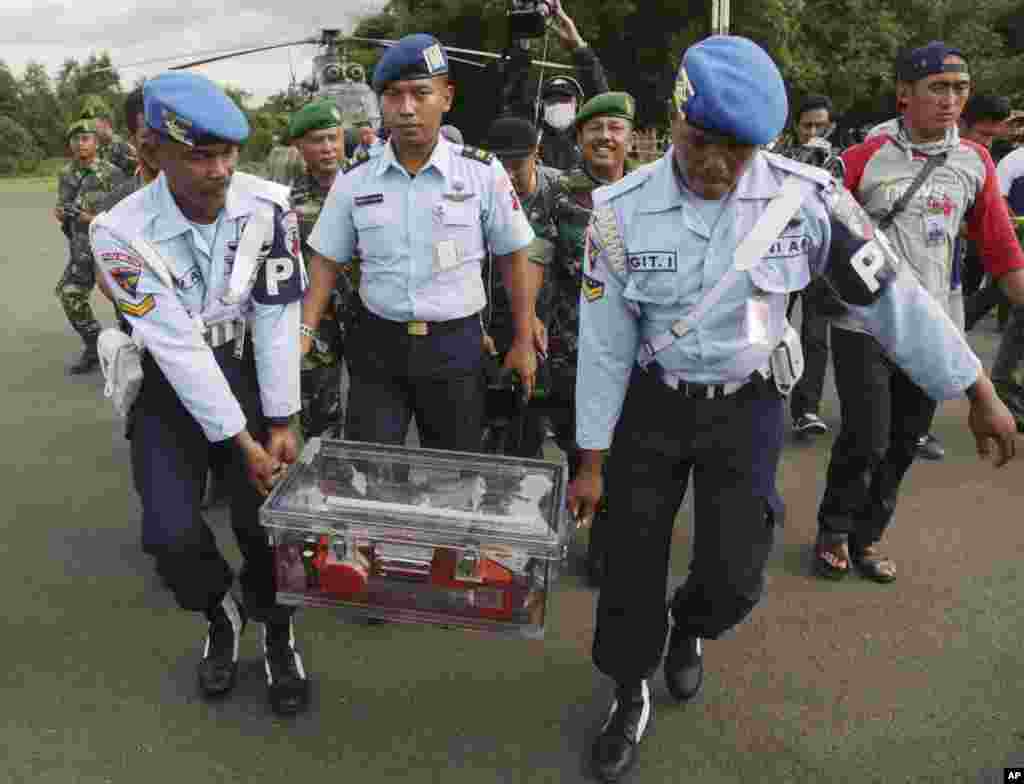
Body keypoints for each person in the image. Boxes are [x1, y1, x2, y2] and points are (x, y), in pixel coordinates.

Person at [567, 35, 1019, 782]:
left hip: (747, 408)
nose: (716, 165)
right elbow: (605, 342)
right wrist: (590, 458)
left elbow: (894, 298)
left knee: (737, 569)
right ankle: (626, 691)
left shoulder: (805, 203)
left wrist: (976, 388)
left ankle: (693, 628)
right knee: (628, 559)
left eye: (738, 151)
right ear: (674, 121)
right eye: (701, 144)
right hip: (652, 406)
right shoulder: (617, 212)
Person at [90, 72, 310, 716]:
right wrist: (241, 441)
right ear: (152, 151)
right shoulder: (117, 232)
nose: (219, 171)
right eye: (200, 156)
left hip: (248, 369)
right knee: (167, 530)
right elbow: (178, 347)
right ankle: (220, 610)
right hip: (169, 382)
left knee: (264, 521)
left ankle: (277, 629)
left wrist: (280, 419)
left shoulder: (269, 206)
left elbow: (275, 315)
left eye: (229, 153)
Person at [813, 41, 1024, 580]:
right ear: (905, 94)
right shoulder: (863, 158)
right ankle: (834, 527)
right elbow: (817, 232)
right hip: (860, 322)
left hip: (932, 326)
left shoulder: (975, 162)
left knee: (905, 440)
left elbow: (1001, 252)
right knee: (867, 433)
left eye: (961, 89)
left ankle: (868, 535)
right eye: (938, 88)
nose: (952, 100)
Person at [301, 34, 540, 454]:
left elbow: (513, 255)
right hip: (378, 349)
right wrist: (303, 334)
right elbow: (324, 259)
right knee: (371, 473)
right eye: (393, 95)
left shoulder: (482, 174)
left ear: (446, 97)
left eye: (420, 93)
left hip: (456, 348)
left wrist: (522, 339)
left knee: (454, 473)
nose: (407, 108)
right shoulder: (356, 179)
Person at [776, 95, 843, 438]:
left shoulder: (841, 164)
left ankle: (807, 409)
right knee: (773, 331)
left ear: (831, 127)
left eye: (821, 125)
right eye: (807, 125)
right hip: (783, 259)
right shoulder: (779, 161)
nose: (814, 132)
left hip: (820, 266)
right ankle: (769, 400)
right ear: (796, 127)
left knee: (815, 337)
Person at [288, 100, 351, 439]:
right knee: (319, 412)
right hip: (316, 319)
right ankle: (327, 481)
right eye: (317, 141)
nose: (327, 148)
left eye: (333, 138)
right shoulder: (286, 200)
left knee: (374, 409)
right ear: (300, 146)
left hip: (367, 313)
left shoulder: (366, 184)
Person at [498, 0, 609, 170]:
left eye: (565, 100)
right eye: (552, 100)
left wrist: (578, 45)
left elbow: (602, 100)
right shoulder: (532, 137)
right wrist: (523, 42)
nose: (558, 105)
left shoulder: (588, 140)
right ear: (541, 106)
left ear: (577, 105)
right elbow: (516, 94)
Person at [55, 119, 127, 374]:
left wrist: (91, 218)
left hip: (110, 248)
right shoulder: (66, 174)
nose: (80, 144)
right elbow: (62, 204)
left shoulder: (112, 173)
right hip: (81, 248)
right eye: (75, 140)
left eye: (86, 139)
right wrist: (62, 212)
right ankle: (95, 345)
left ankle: (133, 348)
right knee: (70, 294)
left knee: (124, 299)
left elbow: (123, 215)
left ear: (96, 143)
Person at [79, 94, 139, 179]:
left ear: (105, 122)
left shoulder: (122, 149)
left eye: (92, 123)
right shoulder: (96, 150)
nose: (89, 127)